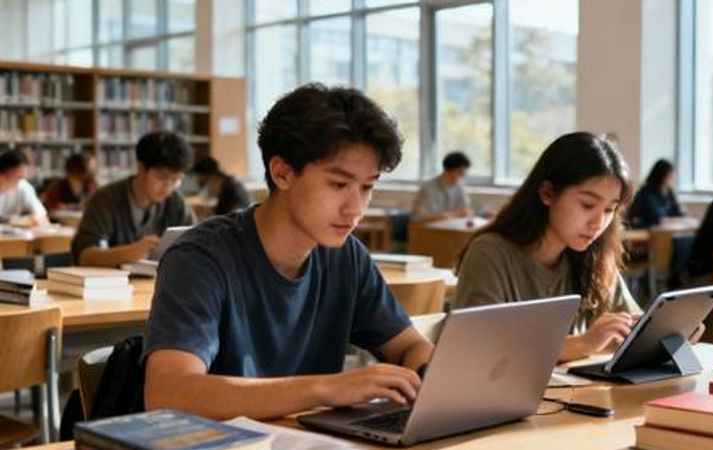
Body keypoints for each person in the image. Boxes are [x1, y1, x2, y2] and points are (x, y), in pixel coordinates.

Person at [143, 84, 434, 420]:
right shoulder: (201, 258)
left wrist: (425, 377)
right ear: (281, 173)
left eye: (367, 186)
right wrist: (325, 388)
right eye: (338, 185)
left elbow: (411, 346)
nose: (356, 209)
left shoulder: (346, 256)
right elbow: (168, 394)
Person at [454, 132, 645, 362]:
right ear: (547, 193)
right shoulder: (490, 253)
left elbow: (634, 324)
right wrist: (584, 343)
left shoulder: (595, 258)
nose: (598, 223)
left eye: (608, 210)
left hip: (576, 395)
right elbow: (480, 349)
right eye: (587, 205)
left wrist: (666, 334)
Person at [71, 131, 195, 267]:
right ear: (141, 168)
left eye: (176, 179)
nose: (168, 187)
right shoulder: (106, 199)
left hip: (156, 284)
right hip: (111, 285)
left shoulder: (175, 202)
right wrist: (131, 252)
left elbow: (198, 241)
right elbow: (85, 257)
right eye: (161, 177)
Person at [411, 151, 472, 222]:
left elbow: (465, 210)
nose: (462, 177)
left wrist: (465, 213)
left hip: (452, 228)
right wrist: (445, 216)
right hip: (430, 230)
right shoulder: (428, 187)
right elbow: (416, 217)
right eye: (460, 173)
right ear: (449, 170)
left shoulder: (459, 187)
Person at [628, 159, 684, 229]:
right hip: (647, 229)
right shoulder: (646, 193)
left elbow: (677, 213)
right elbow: (654, 217)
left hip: (664, 229)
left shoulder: (669, 193)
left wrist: (686, 217)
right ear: (661, 176)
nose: (672, 179)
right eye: (670, 176)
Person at [0, 149, 49, 227]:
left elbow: (41, 215)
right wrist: (11, 220)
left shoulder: (22, 186)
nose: (16, 181)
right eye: (12, 176)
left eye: (20, 177)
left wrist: (35, 219)